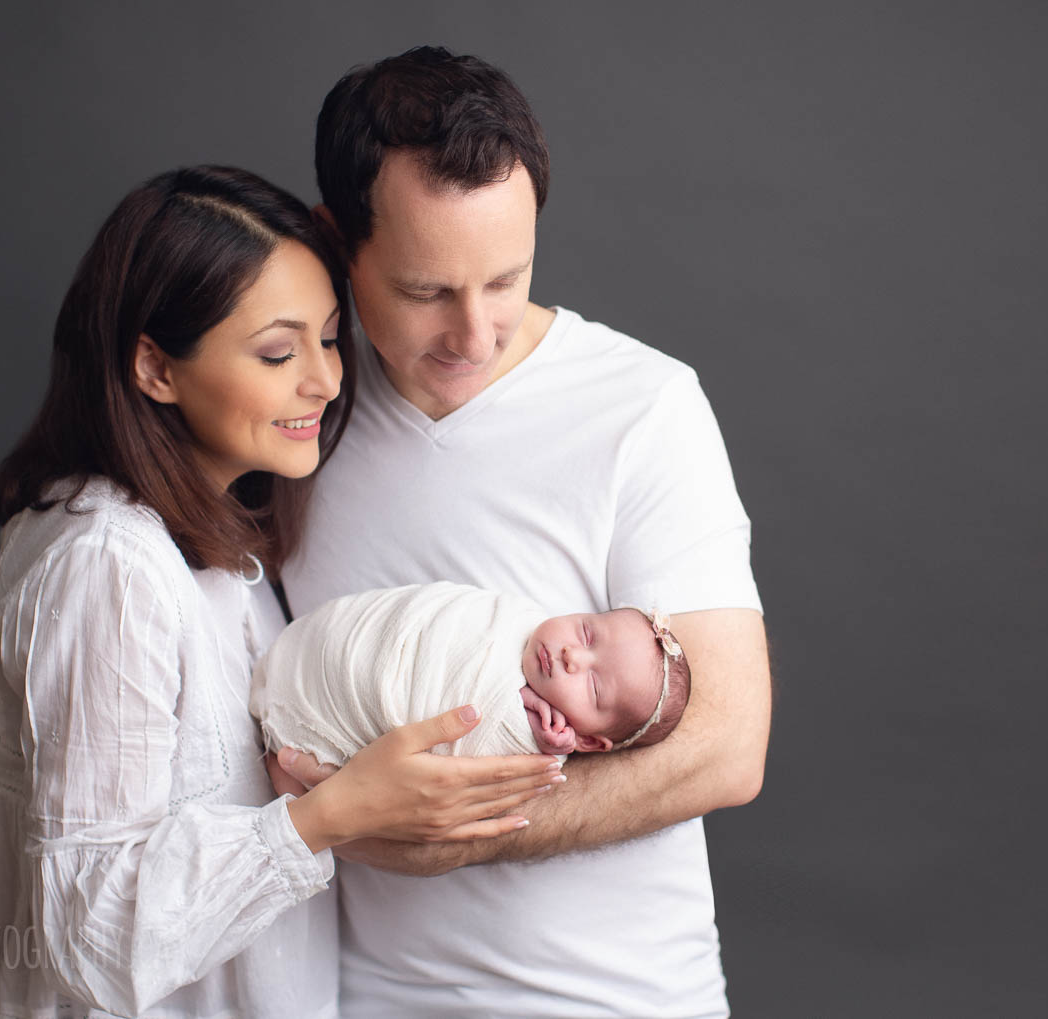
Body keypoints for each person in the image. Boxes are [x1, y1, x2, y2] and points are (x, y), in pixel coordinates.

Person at [0, 165, 562, 1018]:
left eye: (326, 337)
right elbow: (90, 935)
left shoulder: (210, 544)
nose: (326, 379)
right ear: (155, 369)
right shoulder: (108, 564)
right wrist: (329, 817)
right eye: (278, 352)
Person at [269, 47, 772, 1017]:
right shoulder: (293, 414)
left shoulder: (644, 409)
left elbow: (726, 743)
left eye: (505, 279)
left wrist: (442, 829)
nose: (474, 333)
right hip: (363, 998)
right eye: (426, 291)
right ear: (338, 241)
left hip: (621, 1000)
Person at [250, 580, 691, 763]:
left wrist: (539, 739)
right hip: (336, 640)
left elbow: (475, 741)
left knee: (289, 776)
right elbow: (432, 615)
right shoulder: (515, 614)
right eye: (587, 633)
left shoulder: (537, 739)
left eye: (593, 686)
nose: (574, 657)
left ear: (589, 739)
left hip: (345, 704)